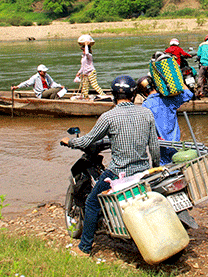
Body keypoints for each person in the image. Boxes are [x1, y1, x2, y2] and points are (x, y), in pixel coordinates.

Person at [61, 75, 160, 256]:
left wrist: (70, 142)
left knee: (92, 202)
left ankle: (84, 248)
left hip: (118, 173)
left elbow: (88, 140)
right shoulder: (147, 113)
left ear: (114, 95)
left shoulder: (109, 116)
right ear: (134, 94)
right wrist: (154, 168)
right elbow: (154, 147)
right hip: (142, 172)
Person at [137, 75, 193, 165]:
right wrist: (177, 80)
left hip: (161, 146)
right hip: (176, 144)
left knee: (165, 170)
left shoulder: (146, 106)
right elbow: (188, 94)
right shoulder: (169, 99)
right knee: (178, 166)